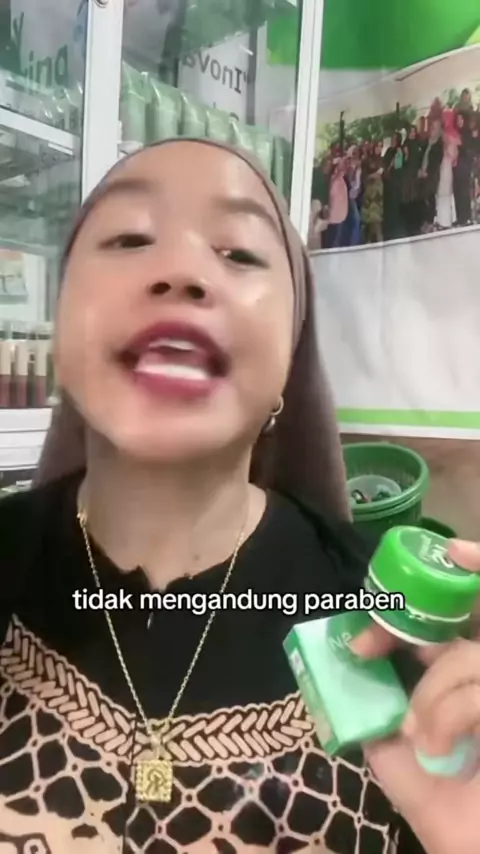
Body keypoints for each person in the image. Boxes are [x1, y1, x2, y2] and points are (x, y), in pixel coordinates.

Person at [1, 138, 480, 854]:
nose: (183, 270)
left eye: (240, 253)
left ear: (291, 354)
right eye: (129, 238)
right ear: (61, 322)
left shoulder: (396, 635)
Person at [436, 110, 461, 229]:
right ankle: (443, 219)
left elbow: (454, 151)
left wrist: (449, 152)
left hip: (448, 165)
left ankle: (447, 220)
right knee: (443, 190)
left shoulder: (450, 134)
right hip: (444, 164)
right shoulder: (447, 134)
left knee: (446, 191)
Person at [361, 141, 384, 243]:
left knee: (376, 219)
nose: (379, 148)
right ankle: (376, 240)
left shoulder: (382, 160)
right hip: (370, 192)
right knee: (372, 219)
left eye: (381, 146)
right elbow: (364, 177)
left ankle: (371, 240)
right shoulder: (367, 160)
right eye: (377, 146)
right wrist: (373, 175)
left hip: (379, 192)